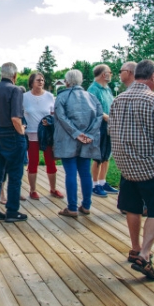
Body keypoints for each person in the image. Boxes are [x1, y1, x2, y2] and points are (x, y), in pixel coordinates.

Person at [109, 60, 154, 281]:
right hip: (153, 166)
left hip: (126, 166)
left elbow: (112, 131)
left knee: (132, 208)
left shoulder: (118, 100)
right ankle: (145, 255)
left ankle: (135, 248)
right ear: (153, 77)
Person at [53, 69, 103, 218]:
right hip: (88, 141)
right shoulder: (92, 97)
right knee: (85, 173)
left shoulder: (62, 97)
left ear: (67, 81)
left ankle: (72, 207)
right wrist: (88, 135)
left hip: (68, 140)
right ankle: (86, 205)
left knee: (71, 173)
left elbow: (61, 118)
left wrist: (77, 134)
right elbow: (99, 117)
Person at [0, 62, 28, 223]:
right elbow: (15, 118)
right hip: (11, 136)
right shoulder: (15, 90)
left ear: (1, 74)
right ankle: (12, 211)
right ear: (14, 76)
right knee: (15, 175)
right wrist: (21, 132)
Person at [23, 72, 62, 200]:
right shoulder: (25, 97)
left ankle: (53, 188)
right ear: (32, 82)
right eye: (38, 80)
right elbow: (19, 114)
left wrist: (49, 121)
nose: (41, 82)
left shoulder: (50, 96)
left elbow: (55, 115)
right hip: (32, 134)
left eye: (43, 80)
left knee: (50, 161)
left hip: (46, 134)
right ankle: (32, 190)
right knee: (33, 162)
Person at [88, 64, 118, 196]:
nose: (111, 74)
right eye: (109, 72)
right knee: (98, 156)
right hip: (99, 125)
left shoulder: (107, 89)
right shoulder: (93, 89)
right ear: (103, 74)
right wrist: (106, 117)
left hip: (110, 124)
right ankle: (94, 185)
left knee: (107, 155)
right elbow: (92, 109)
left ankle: (102, 181)